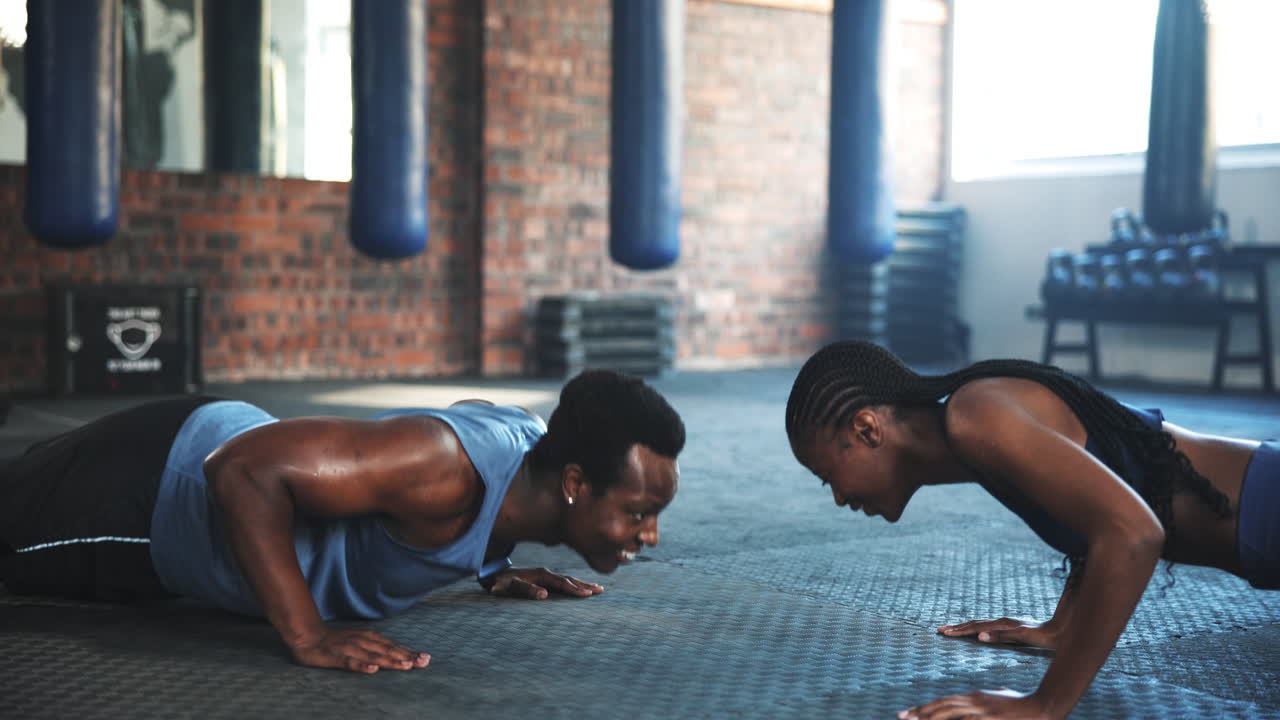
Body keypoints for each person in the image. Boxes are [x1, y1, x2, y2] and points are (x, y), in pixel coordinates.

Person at [1, 369, 684, 674]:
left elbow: (479, 418)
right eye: (638, 513)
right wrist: (308, 634)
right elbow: (241, 472)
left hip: (192, 441)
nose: (648, 535)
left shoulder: (528, 450)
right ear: (574, 485)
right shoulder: (441, 468)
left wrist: (490, 562)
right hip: (151, 493)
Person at [785, 340, 1276, 720]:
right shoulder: (974, 429)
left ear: (868, 430)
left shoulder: (975, 419)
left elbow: (1133, 532)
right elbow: (1096, 499)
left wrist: (1045, 704)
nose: (838, 497)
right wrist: (1062, 627)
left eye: (829, 476)